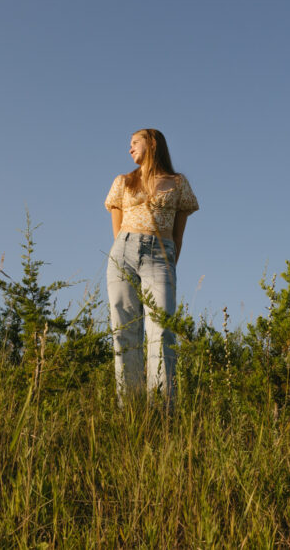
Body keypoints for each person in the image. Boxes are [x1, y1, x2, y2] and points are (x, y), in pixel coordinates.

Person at [104, 128, 198, 405]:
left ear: (152, 143)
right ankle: (130, 409)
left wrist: (168, 262)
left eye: (135, 143)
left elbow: (179, 234)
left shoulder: (178, 183)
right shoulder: (123, 181)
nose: (130, 149)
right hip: (124, 251)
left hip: (161, 253)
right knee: (124, 328)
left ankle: (162, 409)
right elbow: (118, 230)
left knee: (162, 329)